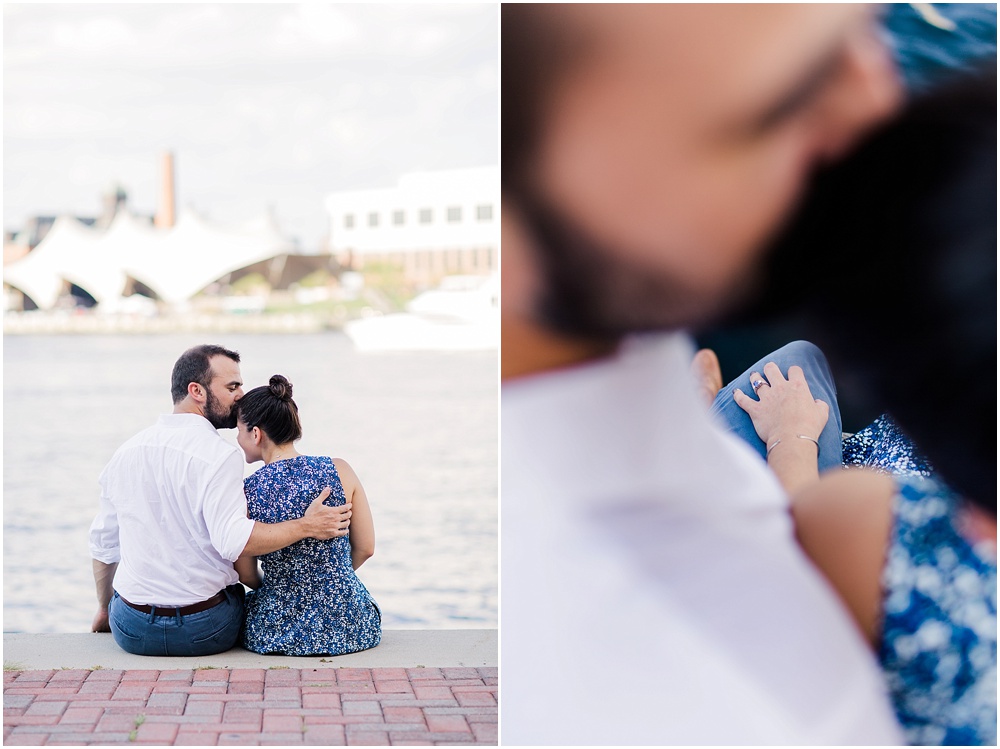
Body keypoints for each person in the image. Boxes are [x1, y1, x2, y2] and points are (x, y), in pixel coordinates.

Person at [501, 4, 905, 744]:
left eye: (864, 22)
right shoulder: (682, 693)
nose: (881, 103)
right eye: (780, 100)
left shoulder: (616, 309)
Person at [89, 344, 352, 657]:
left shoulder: (125, 453)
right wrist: (306, 525)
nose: (240, 395)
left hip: (131, 629)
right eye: (232, 386)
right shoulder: (221, 455)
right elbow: (233, 543)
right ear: (196, 391)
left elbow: (104, 545)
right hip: (204, 629)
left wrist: (105, 611)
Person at [233, 375, 381, 656]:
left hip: (278, 627)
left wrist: (287, 588)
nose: (238, 440)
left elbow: (246, 573)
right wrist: (330, 581)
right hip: (350, 622)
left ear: (255, 433)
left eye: (239, 431)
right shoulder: (340, 470)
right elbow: (366, 548)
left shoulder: (246, 491)